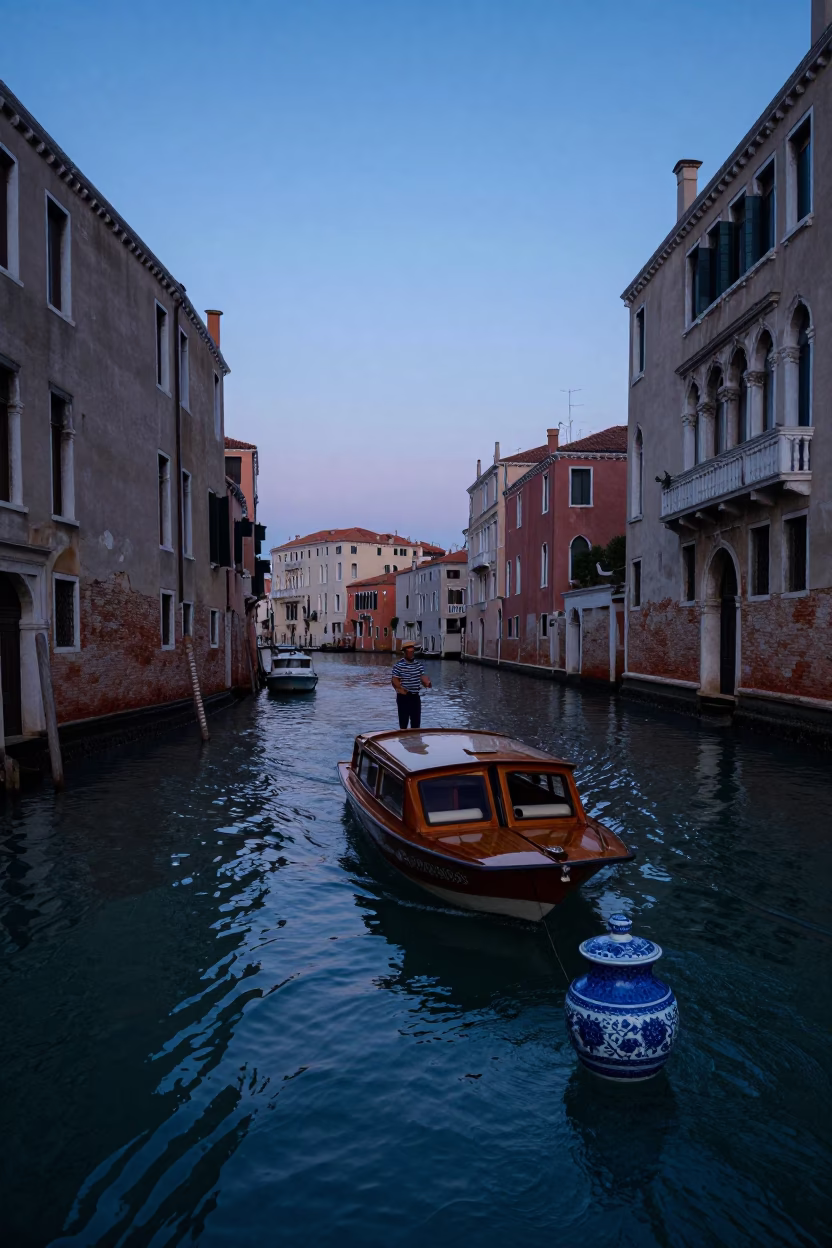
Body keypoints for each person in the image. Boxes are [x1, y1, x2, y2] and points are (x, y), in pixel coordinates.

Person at [391, 642, 431, 729]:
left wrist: (427, 683)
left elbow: (423, 678)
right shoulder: (398, 665)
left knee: (416, 725)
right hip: (403, 697)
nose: (411, 654)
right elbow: (394, 680)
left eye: (412, 652)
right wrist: (400, 688)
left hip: (415, 697)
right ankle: (403, 741)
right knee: (403, 724)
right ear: (405, 653)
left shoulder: (418, 665)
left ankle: (415, 742)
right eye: (409, 652)